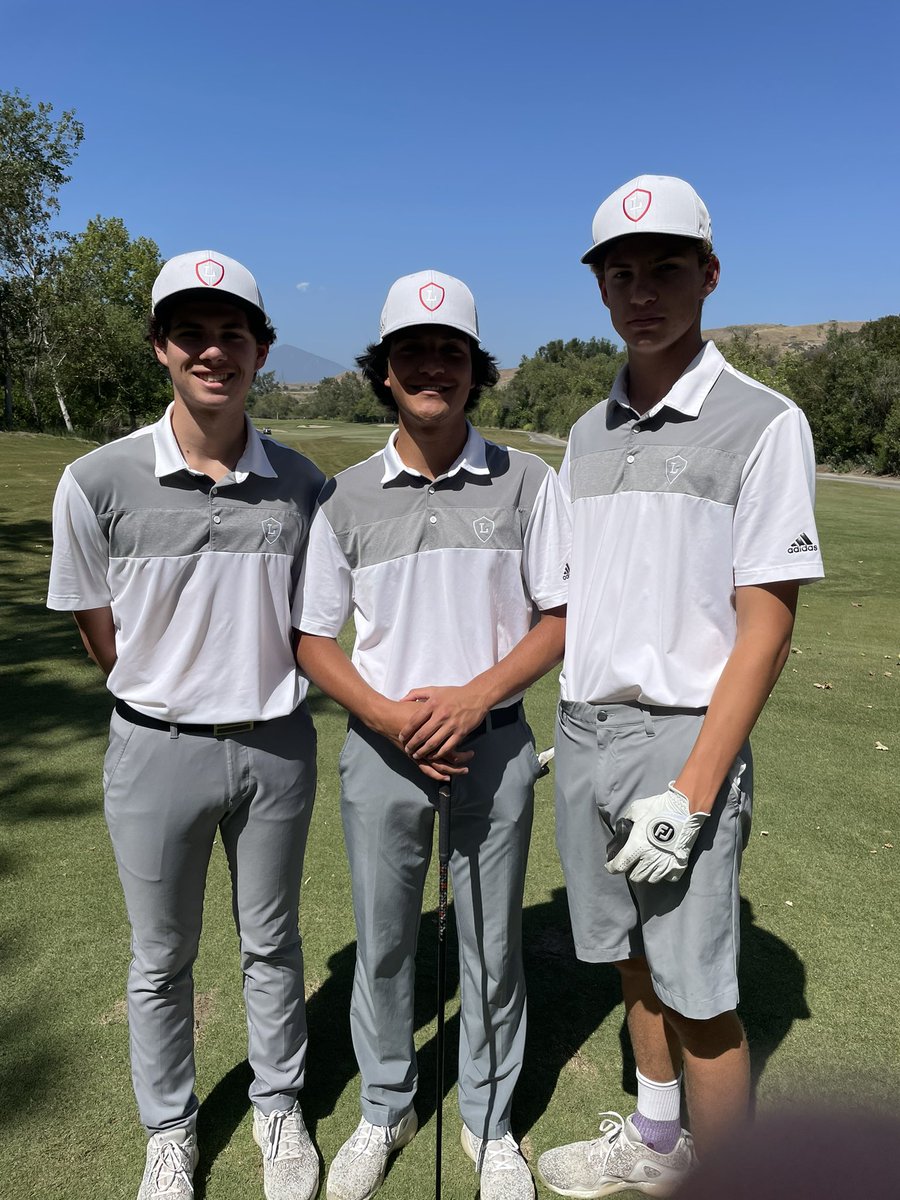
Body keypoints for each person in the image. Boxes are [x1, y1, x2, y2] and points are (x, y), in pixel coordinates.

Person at [536, 176, 824, 1197]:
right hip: (587, 729)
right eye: (621, 273)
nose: (642, 291)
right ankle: (658, 1145)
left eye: (665, 268)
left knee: (700, 994)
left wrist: (695, 788)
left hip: (683, 740)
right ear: (601, 289)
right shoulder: (586, 433)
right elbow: (584, 597)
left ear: (709, 275)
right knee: (631, 961)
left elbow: (768, 622)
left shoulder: (764, 422)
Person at [47, 251, 325, 1200]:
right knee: (161, 958)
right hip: (155, 749)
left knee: (271, 943)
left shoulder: (303, 485)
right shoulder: (95, 480)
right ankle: (169, 1129)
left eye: (231, 333)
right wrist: (163, 692)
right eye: (191, 333)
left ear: (260, 350)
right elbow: (98, 630)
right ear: (161, 347)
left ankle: (279, 1106)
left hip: (276, 746)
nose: (213, 351)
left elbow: (314, 624)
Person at [296, 270, 570, 1200]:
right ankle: (386, 1108)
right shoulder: (343, 497)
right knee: (383, 944)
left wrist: (473, 697)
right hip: (382, 752)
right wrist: (386, 715)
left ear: (474, 368)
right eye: (411, 351)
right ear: (383, 370)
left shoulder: (527, 481)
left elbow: (560, 618)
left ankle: (490, 1125)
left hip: (493, 745)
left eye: (450, 351)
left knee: (492, 946)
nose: (431, 367)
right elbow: (312, 638)